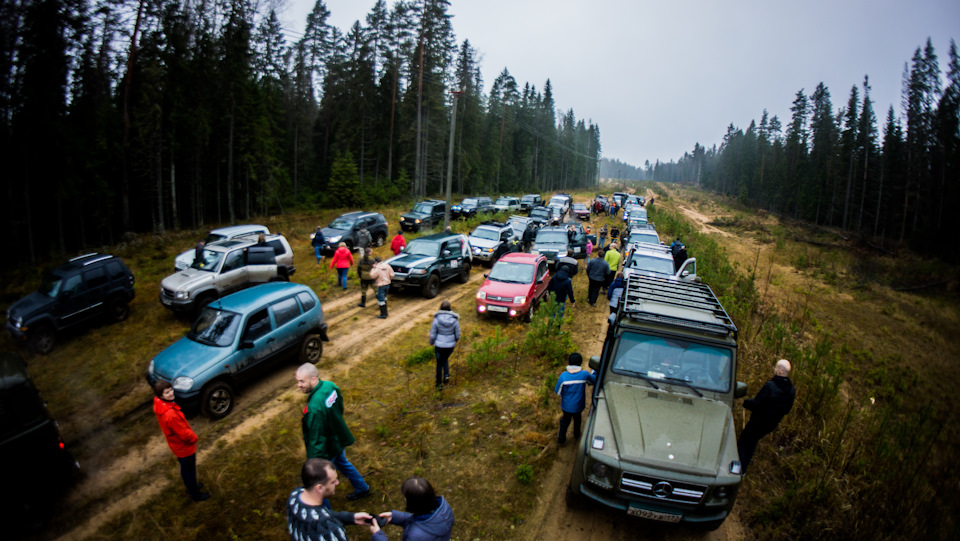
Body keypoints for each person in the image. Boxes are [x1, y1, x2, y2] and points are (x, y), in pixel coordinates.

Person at [296, 363, 372, 501]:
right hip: (338, 439)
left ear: (313, 379)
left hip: (327, 449)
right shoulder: (330, 386)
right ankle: (362, 488)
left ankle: (323, 512)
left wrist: (314, 461)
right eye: (298, 381)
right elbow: (339, 406)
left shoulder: (314, 407)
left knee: (320, 481)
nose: (299, 385)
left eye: (302, 381)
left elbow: (316, 437)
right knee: (343, 463)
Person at [287, 458, 374, 539]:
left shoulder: (295, 496)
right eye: (333, 482)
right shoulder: (331, 530)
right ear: (319, 488)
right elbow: (322, 520)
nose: (337, 483)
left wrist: (350, 517)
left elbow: (318, 515)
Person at [153, 380, 210, 502]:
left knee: (185, 468)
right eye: (167, 392)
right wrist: (194, 438)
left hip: (176, 446)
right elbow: (184, 433)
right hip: (184, 448)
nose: (171, 393)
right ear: (161, 396)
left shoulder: (160, 405)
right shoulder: (170, 415)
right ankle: (195, 495)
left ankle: (191, 487)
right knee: (190, 471)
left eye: (171, 390)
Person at [738, 359, 796, 471]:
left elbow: (756, 403)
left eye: (775, 368)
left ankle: (738, 469)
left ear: (779, 370)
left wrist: (745, 403)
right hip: (771, 425)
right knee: (752, 441)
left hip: (758, 421)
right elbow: (787, 410)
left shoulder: (770, 386)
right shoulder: (791, 390)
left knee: (743, 441)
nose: (774, 370)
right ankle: (743, 469)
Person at [370, 477, 454, 541]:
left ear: (414, 504)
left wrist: (378, 536)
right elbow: (424, 521)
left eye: (406, 497)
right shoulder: (444, 508)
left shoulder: (414, 536)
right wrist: (394, 516)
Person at [554, 353, 597, 445]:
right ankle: (577, 434)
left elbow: (558, 391)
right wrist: (595, 371)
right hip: (578, 406)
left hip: (566, 407)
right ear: (580, 363)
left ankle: (561, 440)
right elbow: (593, 380)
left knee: (565, 421)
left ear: (569, 362)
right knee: (577, 419)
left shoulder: (563, 376)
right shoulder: (584, 374)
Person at [429, 301, 460, 390]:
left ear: (440, 308)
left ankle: (439, 384)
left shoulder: (436, 320)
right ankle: (446, 375)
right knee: (445, 359)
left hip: (439, 346)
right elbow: (457, 335)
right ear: (450, 308)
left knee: (439, 364)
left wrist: (431, 342)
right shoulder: (455, 320)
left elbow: (433, 334)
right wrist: (454, 341)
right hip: (450, 346)